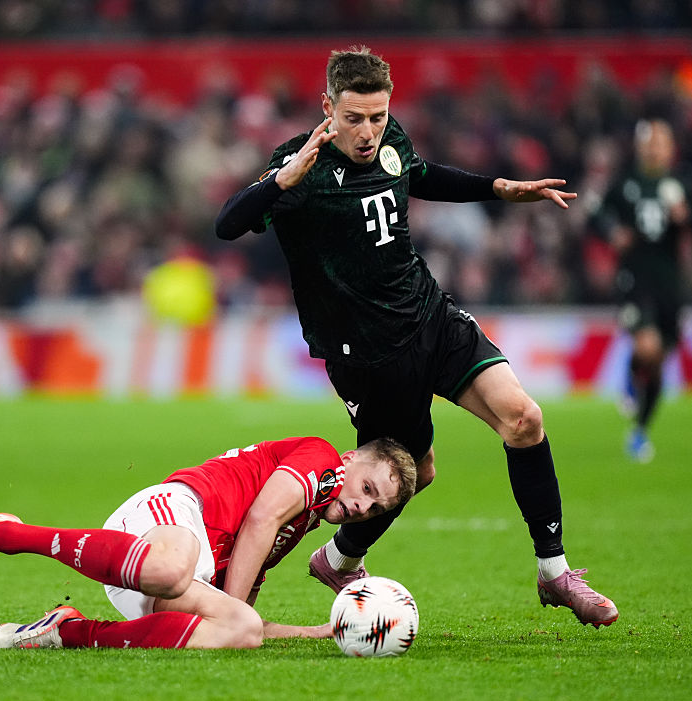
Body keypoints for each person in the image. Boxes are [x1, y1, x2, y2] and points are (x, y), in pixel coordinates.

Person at [215, 46, 618, 627]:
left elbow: (422, 175)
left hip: (429, 316)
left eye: (378, 116)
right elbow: (227, 224)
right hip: (368, 356)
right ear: (328, 108)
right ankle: (334, 559)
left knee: (524, 418)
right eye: (354, 118)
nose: (368, 131)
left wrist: (499, 188)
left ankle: (554, 573)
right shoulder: (302, 166)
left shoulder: (391, 140)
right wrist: (281, 180)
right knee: (416, 472)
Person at [0, 435, 416, 650]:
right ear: (349, 462)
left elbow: (243, 615)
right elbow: (260, 518)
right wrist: (231, 603)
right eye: (367, 489)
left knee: (241, 632)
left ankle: (67, 631)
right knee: (181, 576)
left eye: (376, 509)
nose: (361, 508)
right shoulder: (321, 460)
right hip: (176, 513)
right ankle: (5, 533)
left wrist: (317, 632)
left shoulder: (300, 524)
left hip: (149, 574)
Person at [592, 118, 692, 462]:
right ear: (640, 148)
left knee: (658, 362)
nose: (655, 150)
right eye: (650, 144)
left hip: (670, 284)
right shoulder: (625, 184)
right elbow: (595, 217)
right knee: (648, 346)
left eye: (660, 144)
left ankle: (640, 430)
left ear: (670, 149)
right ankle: (632, 373)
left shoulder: (682, 184)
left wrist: (686, 217)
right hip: (635, 278)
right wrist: (613, 232)